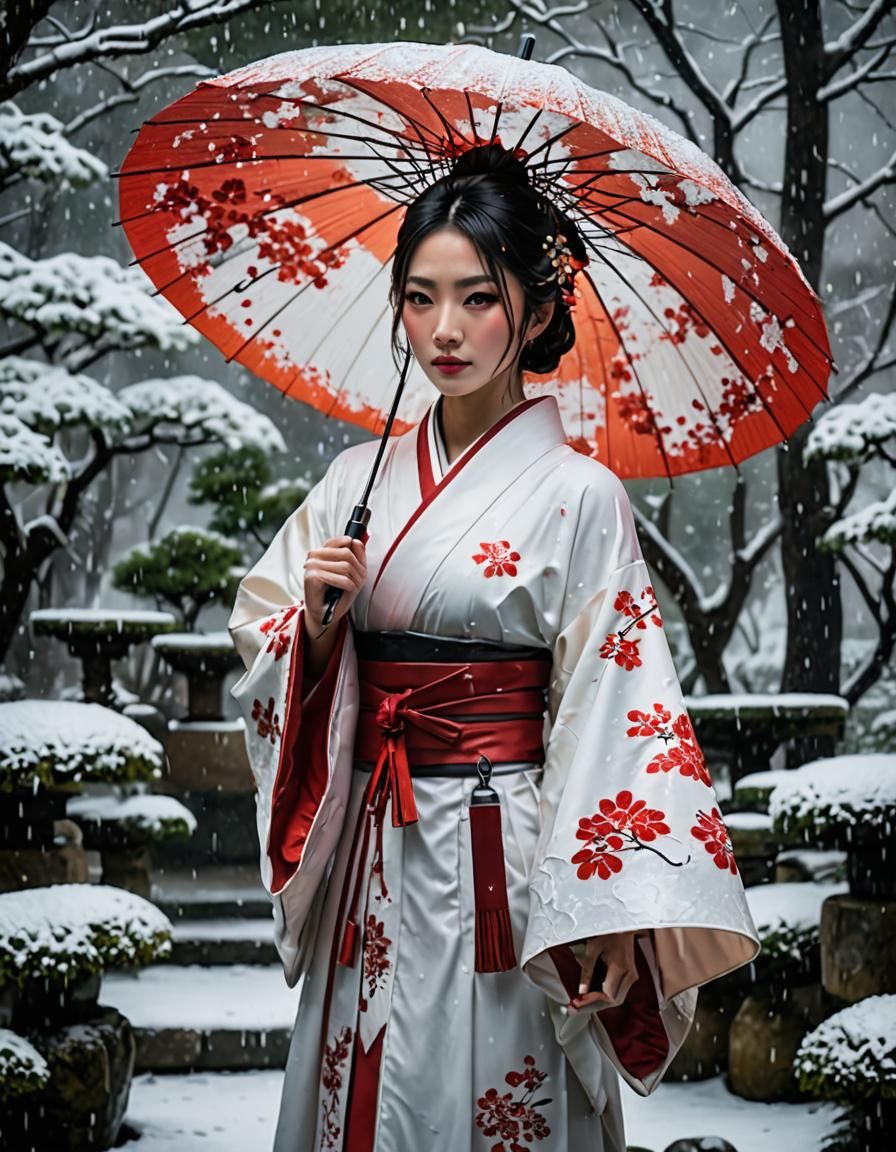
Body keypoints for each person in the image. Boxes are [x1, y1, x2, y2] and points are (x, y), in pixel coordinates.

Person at [228, 143, 759, 1152]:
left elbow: (616, 710)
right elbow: (267, 638)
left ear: (538, 306)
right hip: (374, 843)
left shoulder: (582, 496)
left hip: (502, 849)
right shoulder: (351, 485)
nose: (444, 329)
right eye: (419, 297)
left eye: (477, 298)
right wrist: (317, 632)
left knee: (495, 1088)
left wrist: (609, 909)